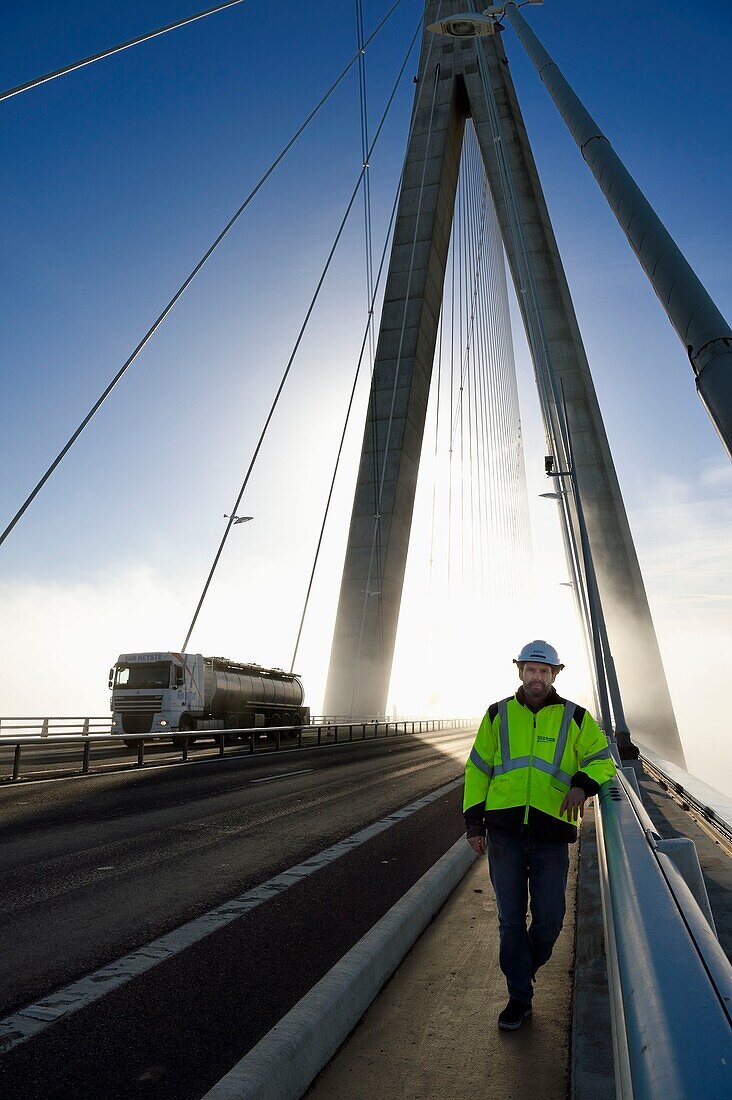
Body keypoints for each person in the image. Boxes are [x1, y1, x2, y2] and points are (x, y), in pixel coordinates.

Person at [464, 640, 616, 1031]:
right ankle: (519, 997)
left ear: (555, 675)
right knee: (510, 920)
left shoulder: (576, 718)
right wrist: (473, 823)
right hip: (505, 835)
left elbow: (603, 761)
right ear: (520, 672)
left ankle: (522, 967)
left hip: (552, 834)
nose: (537, 677)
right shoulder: (497, 715)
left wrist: (584, 783)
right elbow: (478, 769)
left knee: (549, 919)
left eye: (544, 671)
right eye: (531, 670)